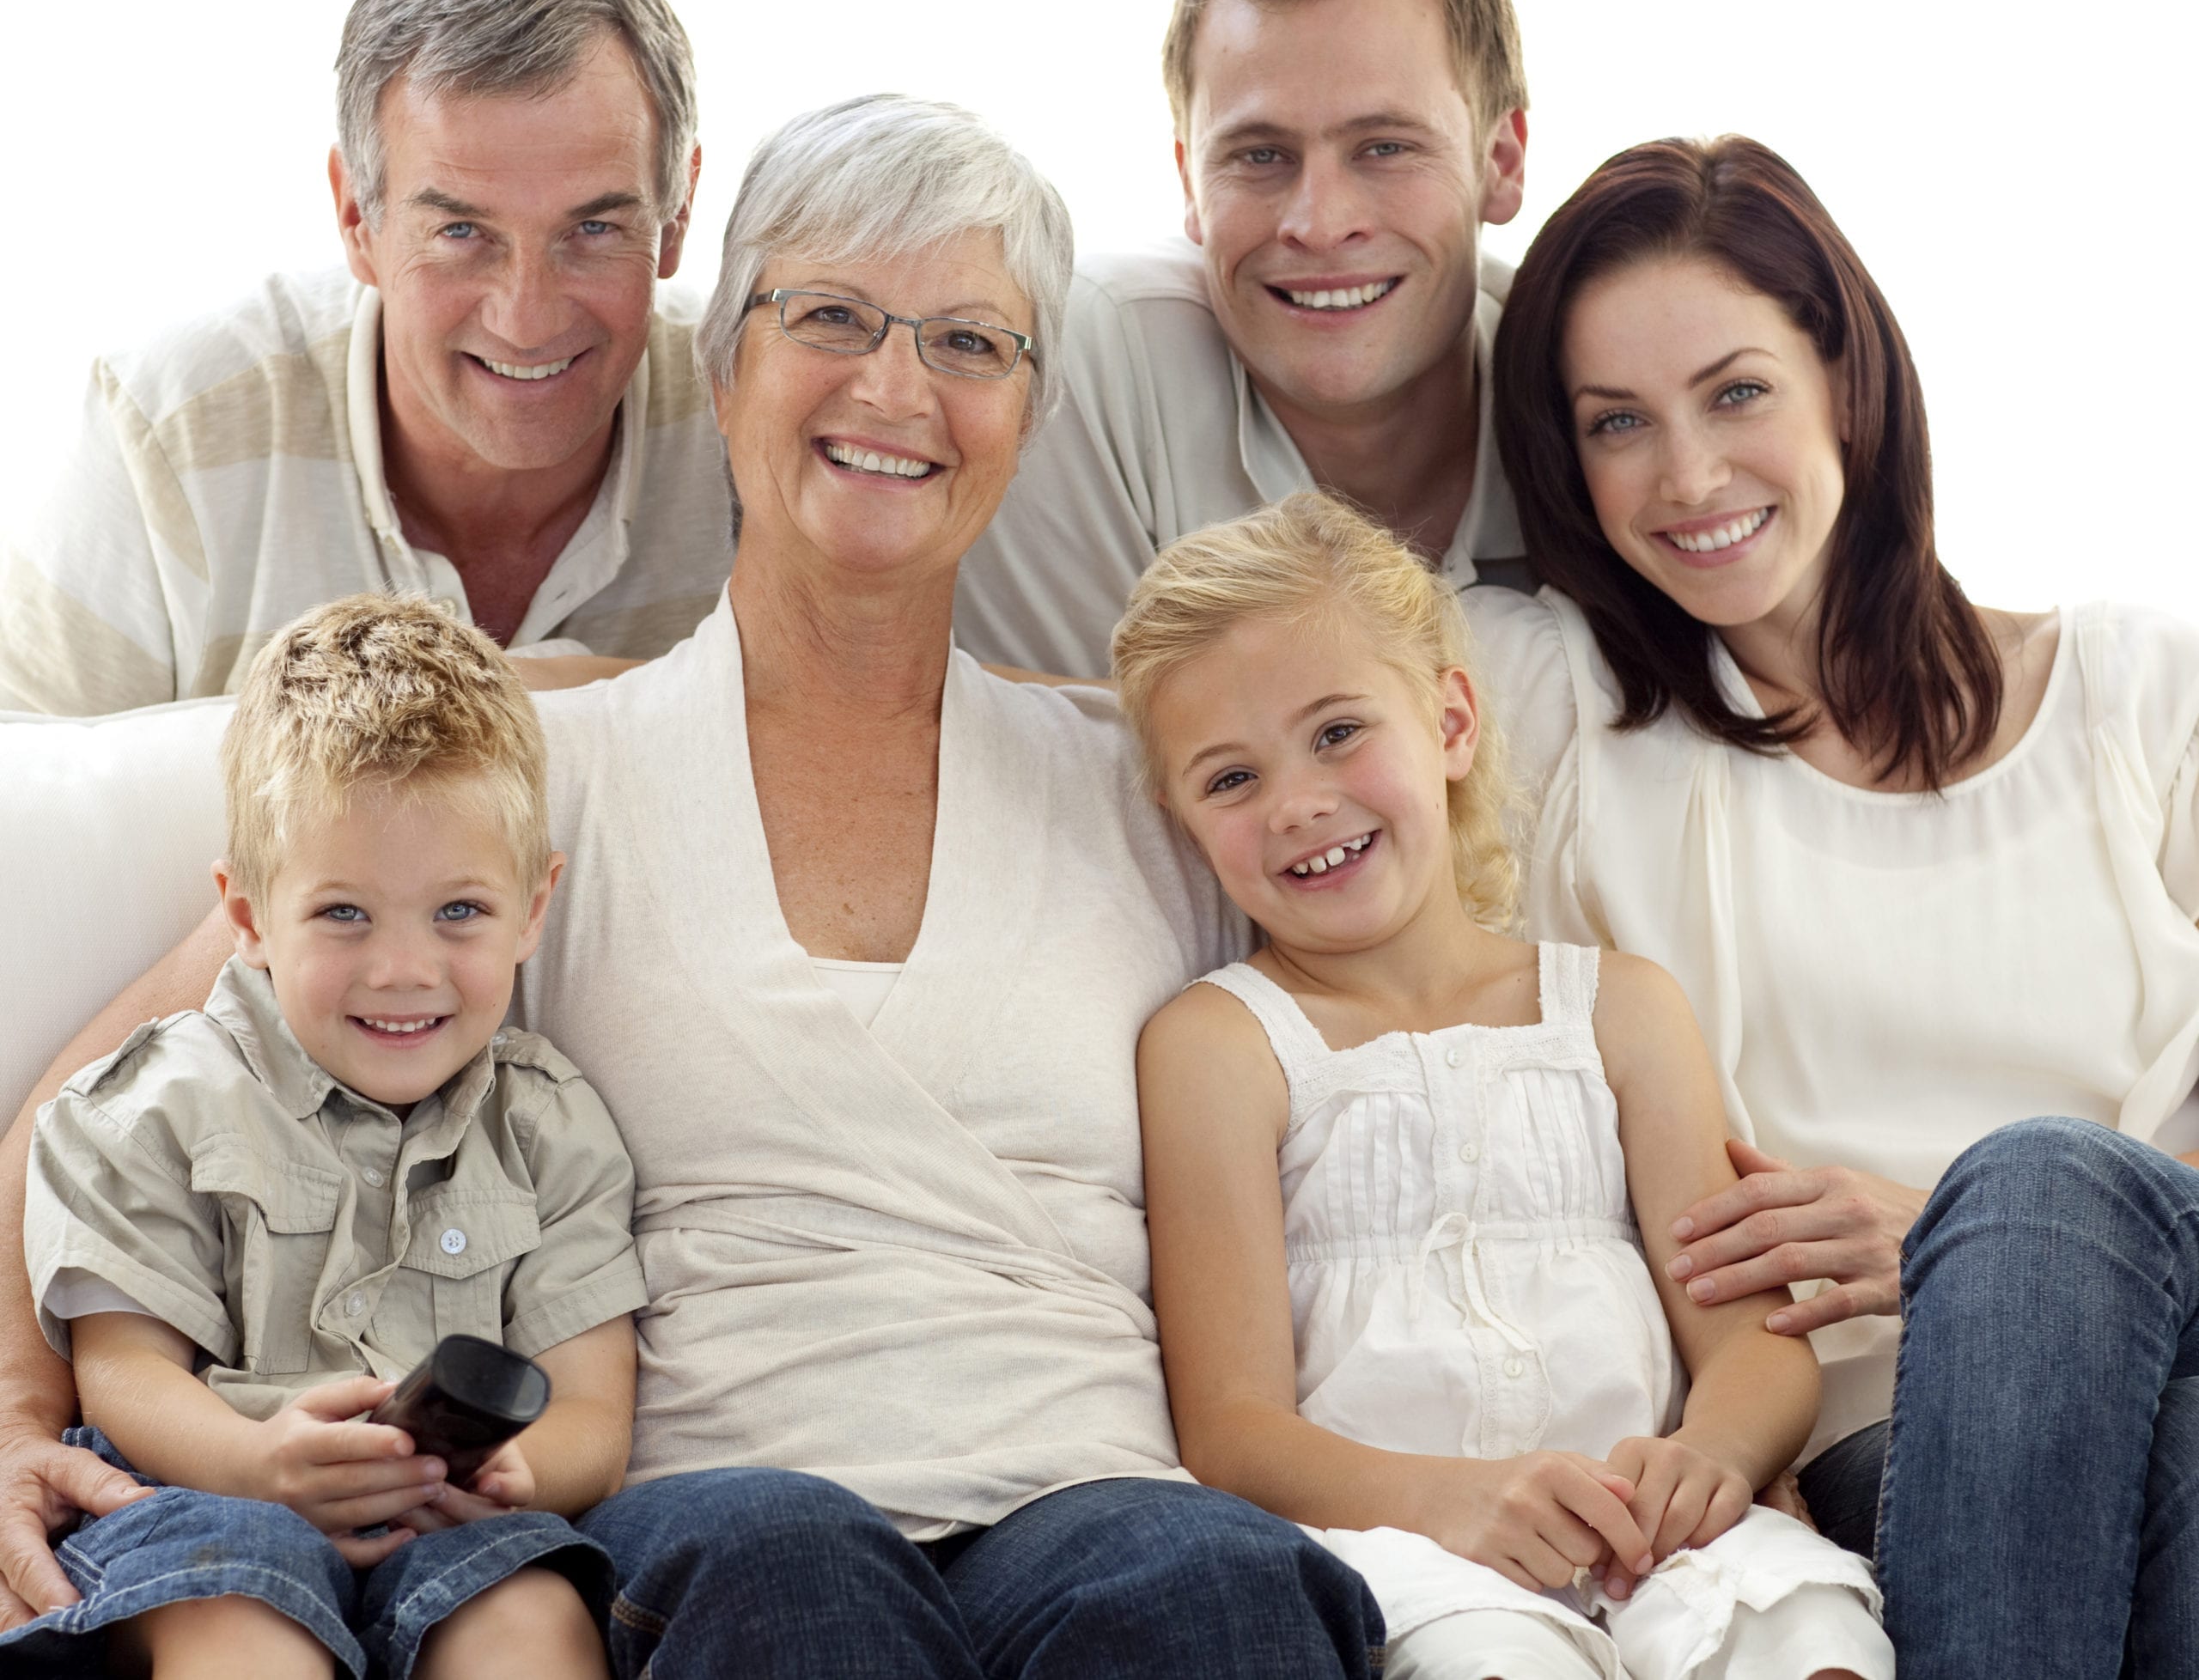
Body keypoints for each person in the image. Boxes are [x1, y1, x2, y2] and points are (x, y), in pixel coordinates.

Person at [0, 94, 1386, 1677]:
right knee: (783, 1565)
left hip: (1092, 1484)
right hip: (722, 1512)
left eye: (968, 342)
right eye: (833, 319)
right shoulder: (537, 771)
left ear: (1029, 407)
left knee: (1211, 1582)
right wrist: (13, 1417)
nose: (894, 385)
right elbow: (104, 1099)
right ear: (722, 374)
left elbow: (1389, 1042)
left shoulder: (1146, 785)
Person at [1472, 134, 2199, 1676]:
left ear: (1848, 386)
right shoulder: (1568, 726)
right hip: (1892, 1446)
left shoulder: (2147, 697)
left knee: (2045, 1199)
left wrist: (1966, 1233)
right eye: (1619, 424)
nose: (1686, 477)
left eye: (1736, 392)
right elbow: (1258, 680)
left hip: (2179, 1355)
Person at [1110, 492, 1889, 1680]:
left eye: (1336, 732)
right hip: (1415, 1544)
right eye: (1229, 778)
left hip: (1661, 1526)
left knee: (1809, 1633)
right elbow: (1233, 1424)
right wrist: (1456, 1501)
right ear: (1181, 819)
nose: (1299, 803)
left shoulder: (1620, 1007)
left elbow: (1755, 1336)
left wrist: (1714, 1454)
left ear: (1452, 720)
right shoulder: (1217, 1045)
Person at [2, 593, 645, 1677]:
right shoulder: (149, 1102)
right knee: (251, 1625)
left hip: (458, 1527)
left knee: (532, 1614)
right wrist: (260, 1461)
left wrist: (517, 1473)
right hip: (208, 1500)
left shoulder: (550, 1122)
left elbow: (593, 1405)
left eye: (460, 912)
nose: (404, 967)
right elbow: (126, 1371)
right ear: (248, 915)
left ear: (534, 907)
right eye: (345, 912)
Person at [0, 0, 730, 718]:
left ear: (678, 216)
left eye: (593, 229)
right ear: (357, 220)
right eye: (460, 232)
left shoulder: (761, 430)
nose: (528, 318)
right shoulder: (169, 435)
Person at [953, 0, 1532, 679]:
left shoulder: (1615, 395)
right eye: (1261, 156)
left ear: (1499, 162)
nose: (1320, 222)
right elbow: (1071, 783)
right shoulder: (1076, 363)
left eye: (1385, 147)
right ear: (1191, 183)